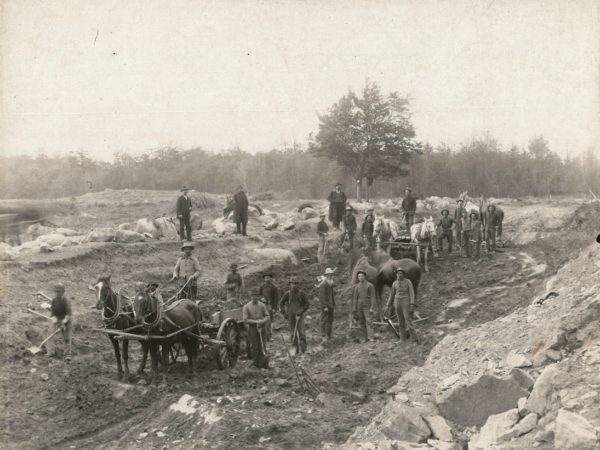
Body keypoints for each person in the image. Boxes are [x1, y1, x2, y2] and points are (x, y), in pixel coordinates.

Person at [279, 277, 309, 353]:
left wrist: (301, 310)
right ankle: (295, 348)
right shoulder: (287, 294)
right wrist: (284, 313)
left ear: (298, 285)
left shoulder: (302, 294)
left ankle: (303, 349)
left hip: (299, 316)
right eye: (292, 284)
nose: (294, 285)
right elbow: (281, 303)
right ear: (290, 284)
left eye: (296, 284)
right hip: (291, 316)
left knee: (302, 332)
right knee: (293, 333)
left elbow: (307, 304)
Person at [242, 289, 270, 368]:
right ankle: (256, 363)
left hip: (262, 327)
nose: (255, 297)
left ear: (258, 296)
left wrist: (262, 321)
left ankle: (263, 363)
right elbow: (245, 319)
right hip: (253, 328)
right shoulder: (246, 307)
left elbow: (267, 316)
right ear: (251, 297)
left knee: (262, 345)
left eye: (256, 296)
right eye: (253, 296)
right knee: (255, 346)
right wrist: (256, 322)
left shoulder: (262, 305)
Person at [385, 268, 415, 341]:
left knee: (408, 320)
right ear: (396, 275)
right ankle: (402, 339)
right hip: (397, 303)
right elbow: (391, 295)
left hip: (406, 302)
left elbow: (411, 293)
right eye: (398, 273)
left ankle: (414, 339)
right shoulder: (394, 283)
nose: (399, 275)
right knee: (400, 323)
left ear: (404, 275)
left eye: (401, 273)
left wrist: (412, 304)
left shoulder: (408, 282)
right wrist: (388, 305)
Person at [50, 283, 72, 360]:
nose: (57, 293)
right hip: (57, 319)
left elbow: (68, 314)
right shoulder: (53, 300)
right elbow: (52, 312)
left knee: (66, 338)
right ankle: (52, 352)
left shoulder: (66, 301)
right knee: (52, 335)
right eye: (56, 292)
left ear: (63, 292)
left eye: (59, 292)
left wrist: (63, 323)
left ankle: (68, 354)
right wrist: (55, 321)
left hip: (66, 320)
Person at [351, 270, 375, 343]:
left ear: (364, 276)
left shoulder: (370, 285)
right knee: (362, 322)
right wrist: (354, 308)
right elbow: (355, 298)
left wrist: (372, 307)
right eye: (359, 276)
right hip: (359, 305)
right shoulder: (357, 287)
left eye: (361, 276)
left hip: (367, 305)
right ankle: (365, 338)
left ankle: (371, 337)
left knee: (368, 321)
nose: (360, 277)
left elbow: (373, 297)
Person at [259, 272, 279, 341]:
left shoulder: (274, 287)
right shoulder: (262, 287)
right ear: (264, 279)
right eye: (265, 278)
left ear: (270, 278)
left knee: (269, 321)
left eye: (268, 277)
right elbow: (258, 295)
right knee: (262, 321)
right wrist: (261, 298)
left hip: (269, 306)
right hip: (262, 306)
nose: (267, 279)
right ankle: (264, 336)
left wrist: (274, 308)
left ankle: (269, 336)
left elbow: (276, 299)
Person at [318, 267, 336, 343]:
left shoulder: (331, 283)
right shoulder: (323, 284)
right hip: (326, 306)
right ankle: (323, 335)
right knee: (324, 320)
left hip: (331, 305)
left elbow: (331, 294)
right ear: (326, 275)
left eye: (331, 274)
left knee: (330, 320)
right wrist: (324, 306)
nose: (330, 276)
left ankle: (329, 335)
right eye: (328, 274)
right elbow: (322, 296)